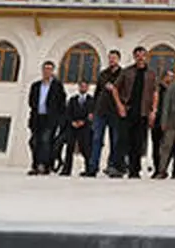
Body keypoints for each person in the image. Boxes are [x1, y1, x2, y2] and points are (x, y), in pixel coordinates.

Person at [113, 46, 157, 179]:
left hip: (143, 112)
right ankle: (119, 168)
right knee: (123, 140)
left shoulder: (151, 74)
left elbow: (155, 93)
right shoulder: (127, 72)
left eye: (143, 55)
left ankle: (134, 170)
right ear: (134, 57)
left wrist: (153, 111)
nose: (140, 58)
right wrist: (119, 106)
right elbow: (115, 88)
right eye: (137, 55)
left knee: (138, 142)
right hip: (128, 111)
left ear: (146, 56)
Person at [84, 49, 122, 177]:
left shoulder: (122, 74)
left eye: (114, 58)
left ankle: (112, 166)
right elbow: (97, 93)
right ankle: (92, 167)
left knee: (115, 140)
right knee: (96, 139)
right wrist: (92, 110)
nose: (112, 60)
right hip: (100, 111)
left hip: (115, 112)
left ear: (118, 59)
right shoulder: (102, 74)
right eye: (110, 58)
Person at [27, 60, 66, 175]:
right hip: (37, 118)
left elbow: (62, 103)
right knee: (34, 142)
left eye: (49, 69)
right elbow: (31, 101)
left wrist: (59, 119)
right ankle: (35, 164)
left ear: (53, 71)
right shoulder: (35, 86)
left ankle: (43, 165)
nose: (47, 71)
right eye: (45, 69)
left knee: (45, 141)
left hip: (50, 119)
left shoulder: (57, 86)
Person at [61, 81, 94, 176]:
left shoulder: (91, 100)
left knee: (86, 148)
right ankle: (66, 169)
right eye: (81, 86)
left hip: (85, 127)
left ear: (87, 88)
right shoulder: (73, 99)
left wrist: (83, 122)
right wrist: (72, 122)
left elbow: (91, 114)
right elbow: (68, 113)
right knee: (69, 148)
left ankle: (88, 169)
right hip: (73, 127)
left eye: (85, 86)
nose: (83, 88)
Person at [150, 69, 175, 178]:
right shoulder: (158, 89)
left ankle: (163, 169)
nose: (171, 79)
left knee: (166, 146)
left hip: (169, 121)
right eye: (169, 76)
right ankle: (157, 169)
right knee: (156, 145)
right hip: (158, 120)